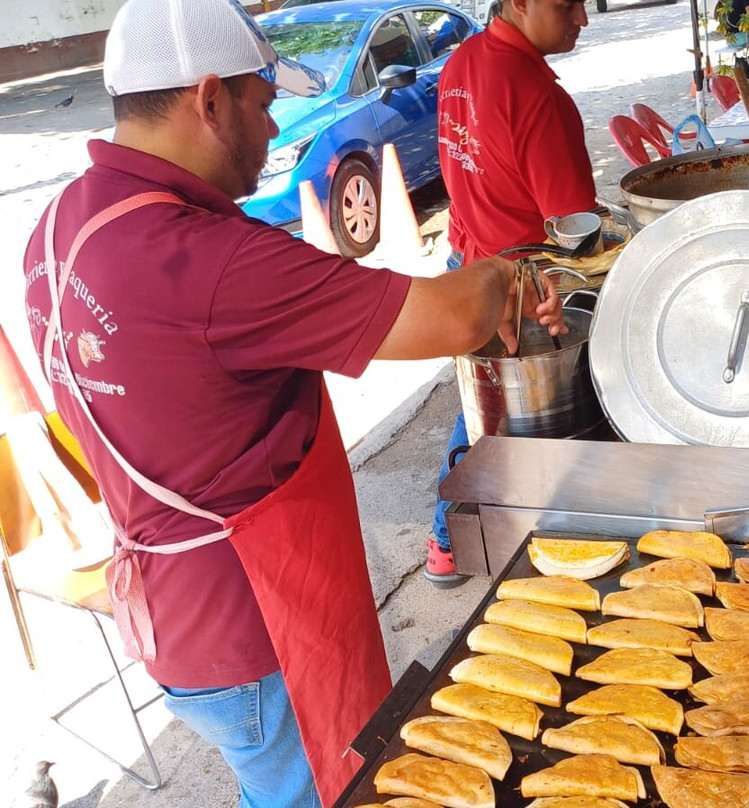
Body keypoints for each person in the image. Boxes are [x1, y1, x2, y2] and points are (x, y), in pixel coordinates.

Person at [21, 0, 567, 805]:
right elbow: (451, 317)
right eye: (265, 102)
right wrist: (512, 275)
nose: (275, 130)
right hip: (262, 627)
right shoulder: (209, 261)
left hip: (173, 616)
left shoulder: (59, 224)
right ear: (210, 99)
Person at [427, 0, 598, 586]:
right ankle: (457, 536)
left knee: (480, 400)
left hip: (466, 259)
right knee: (507, 414)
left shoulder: (460, 64)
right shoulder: (539, 97)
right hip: (525, 283)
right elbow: (574, 228)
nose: (581, 17)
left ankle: (449, 539)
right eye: (566, 4)